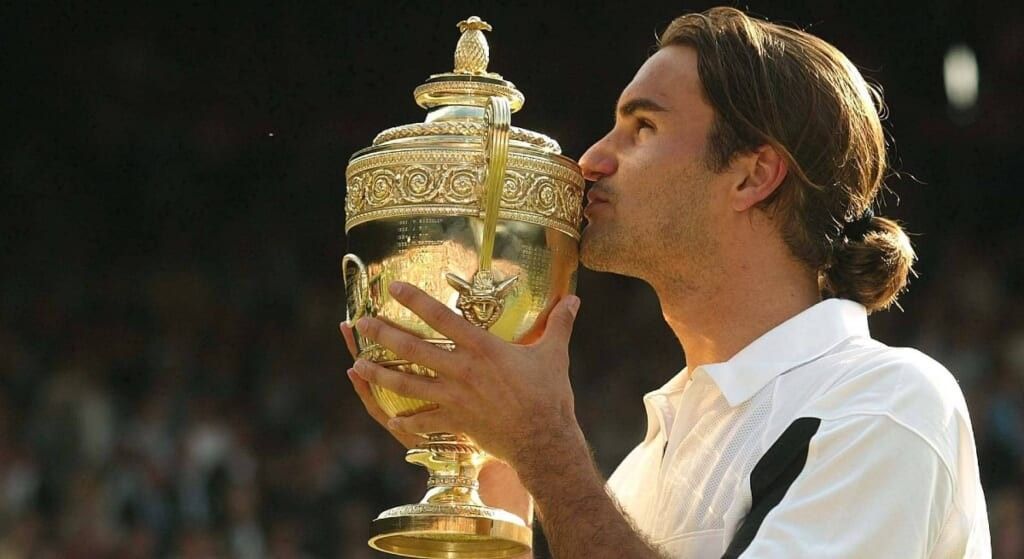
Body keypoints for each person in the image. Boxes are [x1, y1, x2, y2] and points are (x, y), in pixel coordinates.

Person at [340, 7, 991, 558]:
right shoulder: (638, 473)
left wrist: (542, 446)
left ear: (751, 174)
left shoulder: (885, 406)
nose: (591, 160)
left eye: (642, 127)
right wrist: (488, 467)